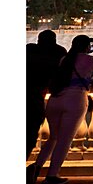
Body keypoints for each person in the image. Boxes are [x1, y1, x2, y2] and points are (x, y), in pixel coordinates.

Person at [31, 35, 93, 184]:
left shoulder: (65, 59)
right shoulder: (91, 60)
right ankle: (51, 176)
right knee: (64, 140)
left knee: (53, 138)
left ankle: (35, 169)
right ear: (86, 47)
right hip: (75, 100)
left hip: (55, 100)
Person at [25, 30, 67, 160]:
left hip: (30, 94)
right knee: (31, 134)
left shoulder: (29, 50)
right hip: (36, 98)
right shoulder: (59, 53)